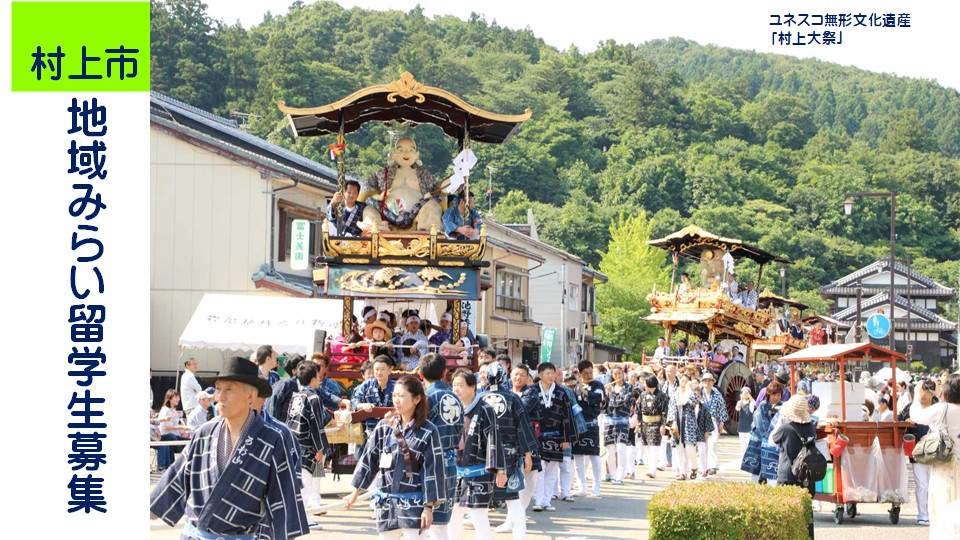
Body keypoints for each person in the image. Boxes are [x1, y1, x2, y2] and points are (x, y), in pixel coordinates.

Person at [151, 357, 309, 539]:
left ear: (251, 396)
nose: (220, 397)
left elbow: (283, 499)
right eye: (218, 389)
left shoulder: (273, 439)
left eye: (229, 389)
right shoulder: (204, 433)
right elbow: (177, 477)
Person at [343, 376, 446, 539]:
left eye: (401, 395)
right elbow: (369, 459)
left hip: (414, 505)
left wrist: (428, 507)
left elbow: (432, 470)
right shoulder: (384, 426)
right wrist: (355, 492)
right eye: (394, 395)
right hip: (386, 503)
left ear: (417, 399)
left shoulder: (429, 431)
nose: (396, 400)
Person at [478, 362, 536, 539]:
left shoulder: (479, 398)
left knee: (480, 499)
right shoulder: (512, 398)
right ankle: (519, 535)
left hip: (482, 453)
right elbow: (523, 427)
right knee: (512, 497)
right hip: (507, 453)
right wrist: (528, 453)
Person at [448, 369, 506, 540]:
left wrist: (500, 470)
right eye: (454, 385)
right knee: (453, 514)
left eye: (460, 385)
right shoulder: (451, 408)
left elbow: (494, 440)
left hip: (479, 470)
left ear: (473, 386)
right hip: (456, 470)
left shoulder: (485, 409)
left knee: (479, 515)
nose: (456, 389)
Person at [910, 373, 960, 536]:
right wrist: (939, 393)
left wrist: (917, 396)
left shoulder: (941, 409)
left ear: (948, 391)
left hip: (946, 465)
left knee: (943, 507)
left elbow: (916, 416)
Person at [420, 353, 463, 540]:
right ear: (445, 373)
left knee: (423, 521)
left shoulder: (424, 398)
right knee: (440, 523)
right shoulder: (455, 397)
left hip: (429, 464)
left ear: (421, 374)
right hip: (451, 461)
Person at [360, 136, 444, 232]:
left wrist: (429, 197)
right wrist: (378, 197)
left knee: (433, 206)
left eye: (411, 150)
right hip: (387, 217)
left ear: (417, 155)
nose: (406, 153)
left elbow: (438, 192)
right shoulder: (384, 173)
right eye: (401, 150)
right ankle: (378, 229)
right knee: (368, 209)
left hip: (417, 216)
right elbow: (367, 187)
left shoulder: (425, 175)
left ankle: (431, 231)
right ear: (394, 154)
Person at [287, 361, 333, 512]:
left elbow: (289, 421)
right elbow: (316, 425)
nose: (320, 380)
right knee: (306, 483)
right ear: (313, 379)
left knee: (306, 480)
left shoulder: (296, 396)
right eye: (318, 377)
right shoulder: (313, 398)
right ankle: (305, 515)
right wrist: (320, 449)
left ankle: (314, 503)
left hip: (294, 444)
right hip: (309, 448)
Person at [530, 362, 574, 512]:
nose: (550, 376)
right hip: (537, 435)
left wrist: (566, 438)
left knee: (552, 470)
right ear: (540, 375)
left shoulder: (561, 393)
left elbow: (567, 416)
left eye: (552, 373)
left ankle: (547, 501)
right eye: (547, 373)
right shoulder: (533, 391)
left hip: (556, 436)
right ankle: (538, 500)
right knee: (540, 469)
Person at [667, 376, 712, 480]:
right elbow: (671, 409)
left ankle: (694, 467)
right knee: (679, 449)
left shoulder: (692, 394)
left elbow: (694, 402)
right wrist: (673, 422)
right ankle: (682, 472)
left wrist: (689, 390)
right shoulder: (675, 394)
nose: (684, 382)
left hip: (689, 424)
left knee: (690, 449)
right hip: (677, 423)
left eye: (686, 381)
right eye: (682, 380)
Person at [770, 395, 817, 492]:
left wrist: (780, 422)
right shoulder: (812, 428)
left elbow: (772, 441)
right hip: (806, 475)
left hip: (788, 474)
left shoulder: (785, 428)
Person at [741, 381, 784, 485]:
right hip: (759, 439)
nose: (776, 397)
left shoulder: (783, 406)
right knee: (755, 467)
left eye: (778, 395)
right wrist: (772, 438)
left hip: (773, 441)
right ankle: (754, 486)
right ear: (768, 394)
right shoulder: (763, 405)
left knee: (771, 469)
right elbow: (761, 425)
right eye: (774, 394)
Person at [572, 360, 604, 496]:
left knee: (594, 456)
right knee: (578, 456)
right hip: (579, 425)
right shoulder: (575, 387)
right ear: (580, 374)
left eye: (591, 372)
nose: (589, 375)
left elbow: (598, 398)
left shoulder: (597, 385)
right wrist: (578, 387)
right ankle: (582, 486)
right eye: (585, 373)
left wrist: (583, 390)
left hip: (592, 424)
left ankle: (597, 486)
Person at [908, 378, 936, 526]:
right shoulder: (911, 408)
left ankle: (934, 514)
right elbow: (899, 422)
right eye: (921, 391)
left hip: (936, 453)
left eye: (928, 392)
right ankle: (923, 514)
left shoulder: (939, 407)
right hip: (917, 452)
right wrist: (906, 422)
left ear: (933, 393)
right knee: (921, 484)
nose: (924, 395)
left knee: (934, 485)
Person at [603, 366, 635, 484]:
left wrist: (610, 394)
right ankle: (612, 475)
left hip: (622, 422)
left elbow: (620, 402)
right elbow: (604, 405)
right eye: (615, 374)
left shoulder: (628, 387)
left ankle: (620, 476)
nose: (617, 376)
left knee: (621, 450)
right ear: (612, 375)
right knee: (610, 452)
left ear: (623, 374)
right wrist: (605, 394)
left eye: (619, 373)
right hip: (609, 422)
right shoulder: (608, 387)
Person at [352, 355, 396, 438]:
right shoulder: (367, 385)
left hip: (391, 429)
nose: (379, 372)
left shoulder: (396, 386)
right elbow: (355, 400)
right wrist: (362, 405)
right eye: (377, 369)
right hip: (369, 430)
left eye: (382, 369)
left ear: (390, 370)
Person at [637, 375, 669, 479]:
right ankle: (650, 467)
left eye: (645, 384)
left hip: (656, 423)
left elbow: (664, 411)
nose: (644, 386)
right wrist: (638, 423)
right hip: (645, 423)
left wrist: (663, 425)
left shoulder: (662, 396)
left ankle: (652, 470)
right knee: (646, 447)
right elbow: (638, 408)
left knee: (654, 447)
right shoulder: (643, 395)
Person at [699, 372, 728, 475]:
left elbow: (722, 408)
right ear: (702, 382)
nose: (707, 382)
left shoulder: (717, 394)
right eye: (705, 380)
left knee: (712, 444)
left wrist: (722, 423)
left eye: (709, 381)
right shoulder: (699, 393)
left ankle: (713, 466)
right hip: (701, 421)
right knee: (702, 445)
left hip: (713, 420)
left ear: (713, 382)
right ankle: (703, 466)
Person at [156, 389, 190, 472]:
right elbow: (164, 427)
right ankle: (180, 461)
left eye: (178, 397)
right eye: (176, 397)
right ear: (170, 398)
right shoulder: (165, 410)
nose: (178, 399)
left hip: (174, 435)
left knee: (188, 441)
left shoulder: (173, 410)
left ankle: (186, 461)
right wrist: (179, 428)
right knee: (172, 438)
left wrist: (184, 430)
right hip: (165, 435)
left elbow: (175, 427)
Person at [736, 386, 756, 455]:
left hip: (749, 427)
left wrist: (749, 396)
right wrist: (741, 399)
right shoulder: (740, 402)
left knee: (748, 444)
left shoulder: (751, 403)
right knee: (742, 445)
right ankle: (743, 458)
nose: (744, 394)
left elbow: (754, 403)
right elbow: (737, 408)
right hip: (741, 427)